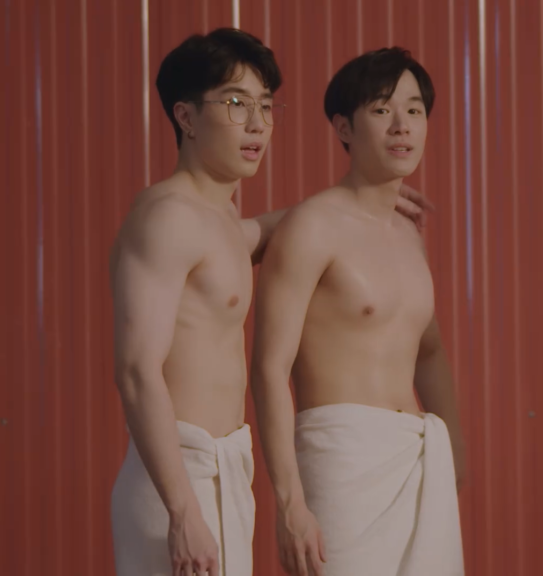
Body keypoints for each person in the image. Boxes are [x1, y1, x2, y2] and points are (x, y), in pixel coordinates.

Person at [108, 30, 431, 576]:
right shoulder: (166, 218)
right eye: (236, 104)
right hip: (177, 477)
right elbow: (137, 371)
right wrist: (182, 510)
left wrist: (364, 203)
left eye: (265, 105)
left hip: (225, 467)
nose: (257, 124)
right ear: (186, 117)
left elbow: (258, 234)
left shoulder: (219, 221)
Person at [250, 47, 467, 576]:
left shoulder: (408, 236)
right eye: (381, 109)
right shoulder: (311, 226)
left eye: (414, 110)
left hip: (418, 460)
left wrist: (455, 452)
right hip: (341, 463)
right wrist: (289, 501)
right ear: (344, 127)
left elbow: (429, 351)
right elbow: (269, 368)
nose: (402, 126)